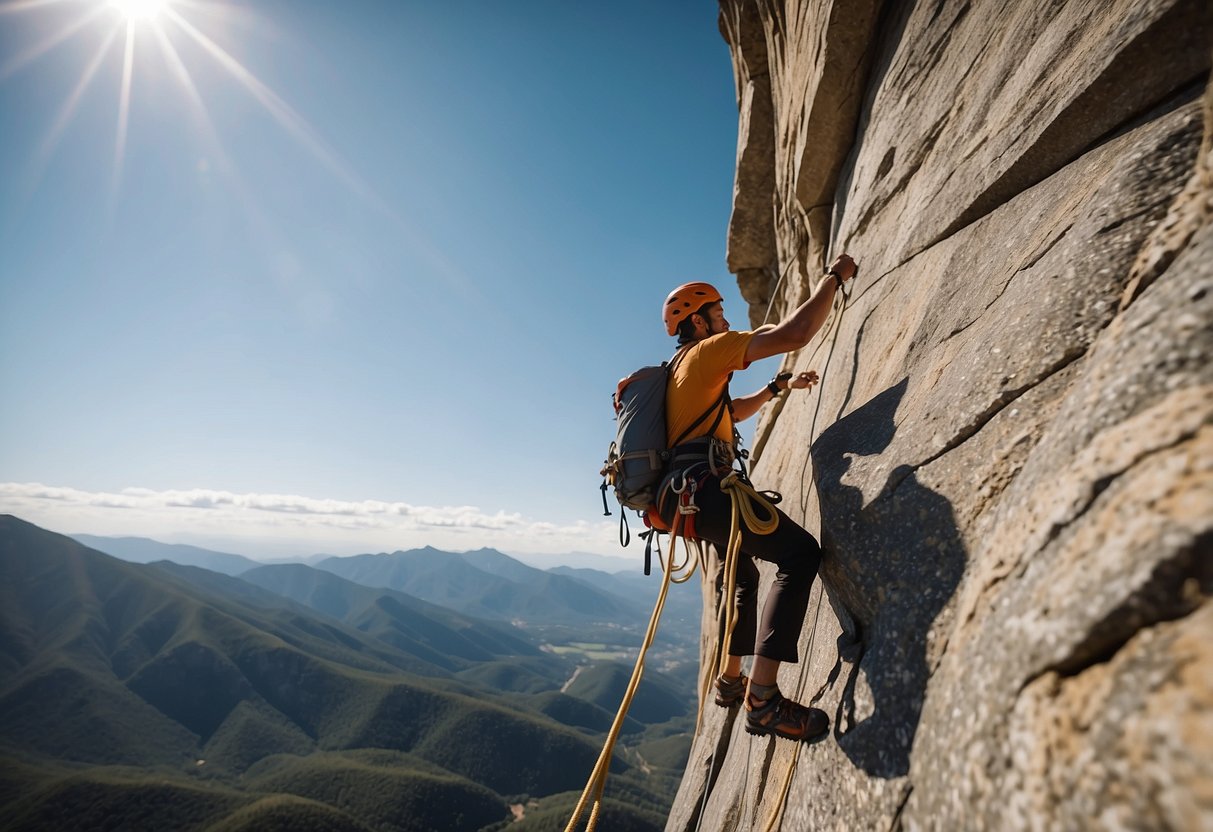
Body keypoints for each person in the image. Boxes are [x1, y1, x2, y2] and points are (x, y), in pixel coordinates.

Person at [656, 253, 857, 742]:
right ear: (698, 321)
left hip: (688, 497)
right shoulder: (710, 350)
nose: (727, 320)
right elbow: (794, 333)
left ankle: (729, 679)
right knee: (799, 554)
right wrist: (833, 278)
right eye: (719, 312)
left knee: (743, 576)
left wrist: (774, 388)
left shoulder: (683, 369)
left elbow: (729, 416)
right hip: (707, 490)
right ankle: (763, 700)